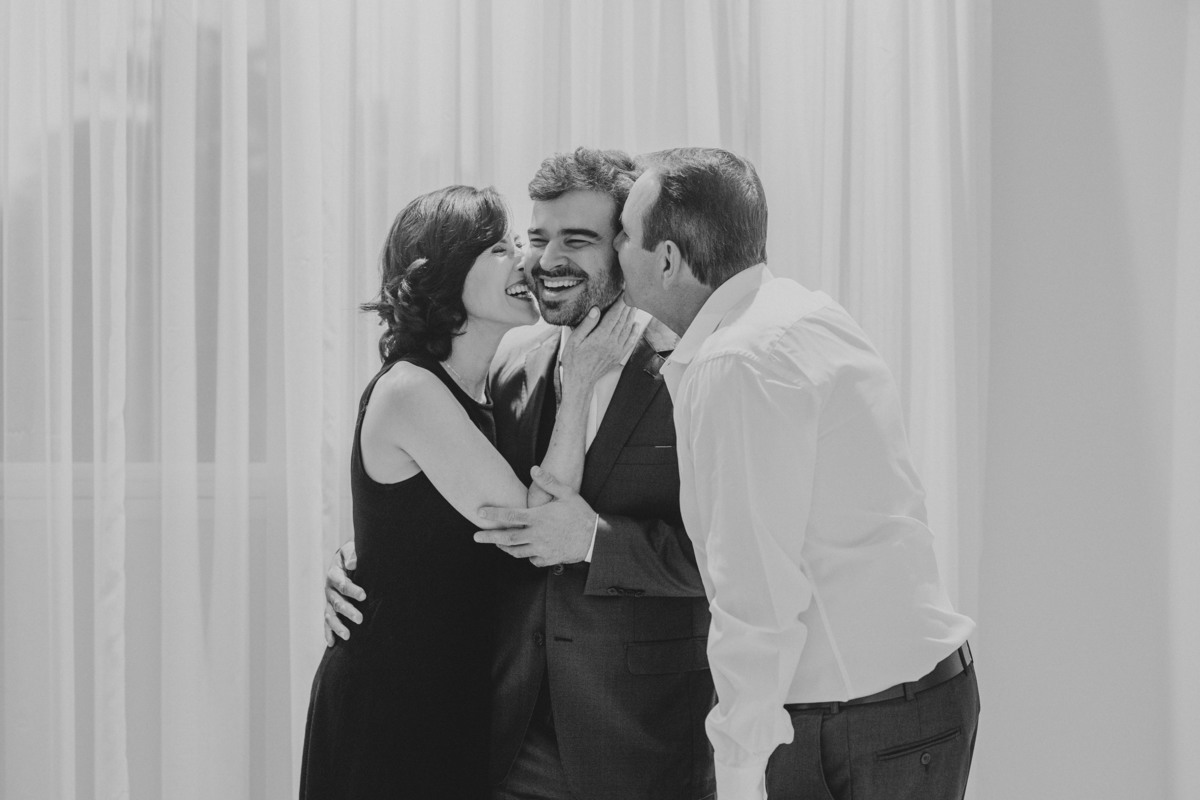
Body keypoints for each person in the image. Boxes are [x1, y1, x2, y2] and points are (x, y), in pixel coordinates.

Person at [322, 150, 717, 800]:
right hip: (499, 738)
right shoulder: (507, 371)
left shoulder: (695, 375)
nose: (546, 260)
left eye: (577, 239)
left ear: (626, 248)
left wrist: (596, 542)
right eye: (536, 238)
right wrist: (369, 553)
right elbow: (445, 506)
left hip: (640, 740)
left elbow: (737, 556)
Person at [608, 147, 981, 799]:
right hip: (915, 700)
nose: (614, 249)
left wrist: (737, 772)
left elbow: (755, 592)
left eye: (623, 234)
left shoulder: (736, 363)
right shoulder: (802, 313)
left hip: (860, 724)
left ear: (667, 259)